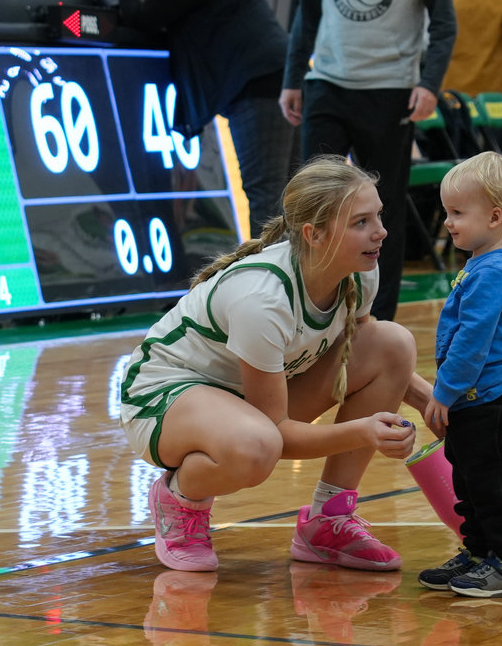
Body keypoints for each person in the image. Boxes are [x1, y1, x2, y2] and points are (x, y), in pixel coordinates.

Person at [120, 156, 436, 574]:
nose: (381, 231)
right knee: (257, 446)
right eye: (361, 222)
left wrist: (433, 403)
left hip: (248, 399)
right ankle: (179, 498)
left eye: (378, 215)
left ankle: (330, 519)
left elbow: (364, 350)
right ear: (314, 234)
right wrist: (364, 431)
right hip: (162, 397)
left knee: (392, 343)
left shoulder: (360, 270)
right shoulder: (262, 300)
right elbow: (279, 434)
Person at [279, 0, 456, 322]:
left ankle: (376, 320)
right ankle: (306, 313)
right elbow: (307, 13)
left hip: (390, 89)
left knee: (384, 208)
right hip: (325, 84)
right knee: (314, 202)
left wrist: (430, 83)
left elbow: (444, 19)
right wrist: (293, 77)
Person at [106, 0, 295, 237]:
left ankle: (269, 267)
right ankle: (297, 265)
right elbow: (173, 12)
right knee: (289, 192)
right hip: (280, 78)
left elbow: (142, 22)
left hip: (259, 84)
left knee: (267, 194)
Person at [417, 151, 502, 598]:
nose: (448, 222)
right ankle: (479, 552)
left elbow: (473, 341)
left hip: (492, 405)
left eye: (457, 213)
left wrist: (444, 391)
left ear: (495, 217)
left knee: (492, 489)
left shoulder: (493, 272)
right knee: (468, 485)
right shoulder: (481, 264)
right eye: (447, 212)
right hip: (474, 401)